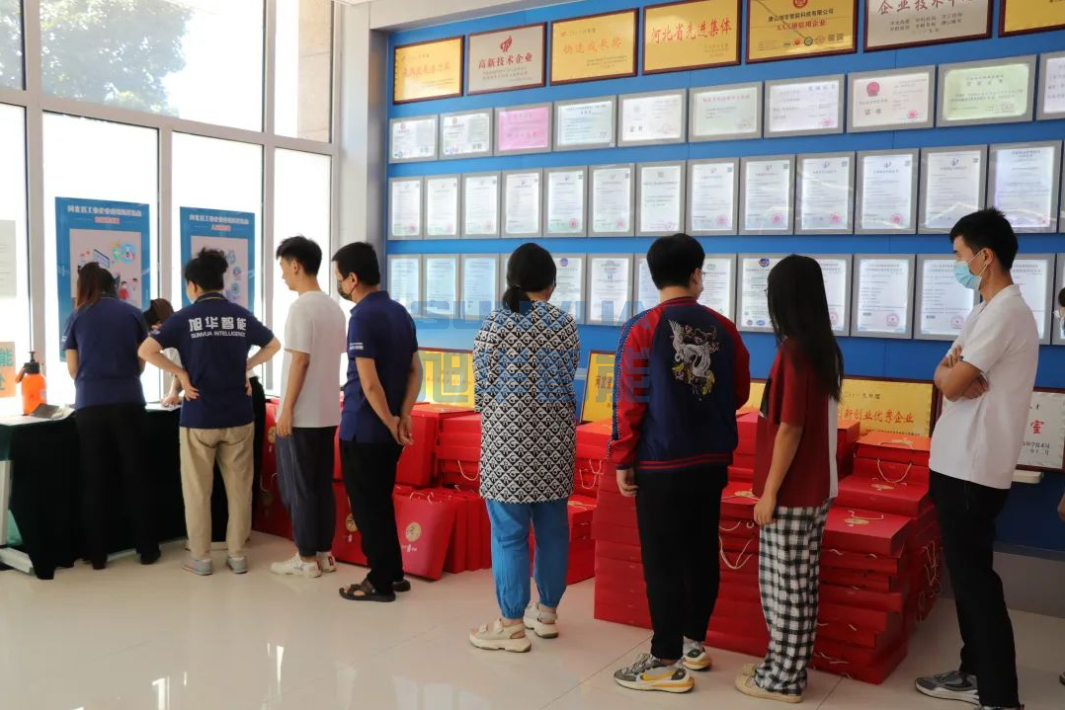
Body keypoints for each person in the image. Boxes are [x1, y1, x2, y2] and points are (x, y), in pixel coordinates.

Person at [610, 233, 751, 694]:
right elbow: (739, 392)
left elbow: (629, 401)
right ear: (695, 274)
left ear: (655, 276)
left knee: (663, 560)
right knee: (700, 551)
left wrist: (622, 457)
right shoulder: (723, 328)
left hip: (660, 463)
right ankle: (694, 643)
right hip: (711, 460)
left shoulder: (641, 329)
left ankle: (664, 659)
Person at [915, 209, 1037, 710]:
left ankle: (1000, 696)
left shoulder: (1006, 313)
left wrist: (953, 377)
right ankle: (973, 672)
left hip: (972, 467)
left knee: (976, 583)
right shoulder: (985, 310)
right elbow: (943, 373)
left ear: (985, 257)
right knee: (967, 580)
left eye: (959, 255)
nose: (957, 265)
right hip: (957, 462)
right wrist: (952, 375)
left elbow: (951, 382)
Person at [736, 255, 844, 704]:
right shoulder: (822, 348)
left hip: (794, 491)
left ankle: (784, 678)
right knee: (799, 584)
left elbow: (790, 429)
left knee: (785, 589)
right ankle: (784, 665)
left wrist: (770, 492)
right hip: (814, 487)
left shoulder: (795, 353)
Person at [139, 248, 281, 576]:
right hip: (239, 416)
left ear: (192, 285)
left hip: (199, 417)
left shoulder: (183, 319)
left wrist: (181, 374)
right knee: (239, 490)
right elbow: (274, 345)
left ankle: (201, 558)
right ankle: (237, 555)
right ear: (221, 281)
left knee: (197, 491)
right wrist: (247, 365)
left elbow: (146, 350)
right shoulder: (240, 316)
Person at [467, 243, 581, 653]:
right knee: (553, 531)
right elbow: (567, 377)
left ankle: (511, 624)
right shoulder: (565, 325)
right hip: (555, 444)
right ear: (551, 284)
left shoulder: (496, 324)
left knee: (509, 536)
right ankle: (546, 613)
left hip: (508, 446)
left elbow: (482, 390)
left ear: (512, 280)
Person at [333, 242, 421, 602]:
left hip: (364, 430)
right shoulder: (400, 312)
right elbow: (416, 370)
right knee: (380, 502)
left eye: (339, 278)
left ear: (353, 279)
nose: (339, 284)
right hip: (389, 433)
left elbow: (369, 383)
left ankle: (380, 581)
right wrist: (404, 415)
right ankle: (394, 572)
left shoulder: (361, 317)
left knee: (367, 507)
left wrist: (388, 421)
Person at [64, 262, 159, 569]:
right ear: (111, 285)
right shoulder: (131, 313)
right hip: (129, 401)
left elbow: (72, 369)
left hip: (89, 405)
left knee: (94, 479)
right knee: (136, 475)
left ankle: (97, 555)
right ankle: (147, 549)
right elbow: (142, 362)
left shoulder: (76, 316)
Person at [269, 236, 347, 579]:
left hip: (301, 416)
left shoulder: (301, 308)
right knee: (320, 485)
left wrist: (286, 409)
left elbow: (300, 361)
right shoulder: (333, 308)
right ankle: (324, 553)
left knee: (298, 487)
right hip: (327, 412)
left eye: (284, 267)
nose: (283, 275)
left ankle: (305, 557)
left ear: (296, 265)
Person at [143, 298, 183, 407]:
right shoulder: (179, 328)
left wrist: (173, 394)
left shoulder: (169, 337)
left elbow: (180, 372)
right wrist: (172, 394)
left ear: (156, 325)